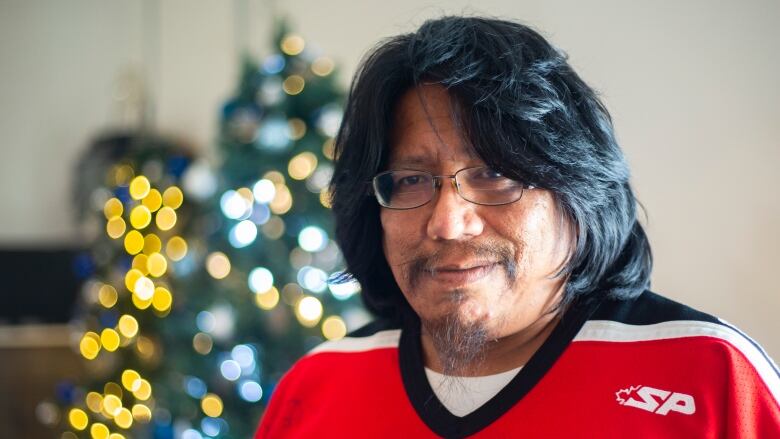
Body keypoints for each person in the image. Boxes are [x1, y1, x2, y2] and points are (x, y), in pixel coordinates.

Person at [255, 16, 779, 438]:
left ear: (575, 190)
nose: (448, 223)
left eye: (493, 174)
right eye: (412, 180)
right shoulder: (318, 386)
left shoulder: (711, 375)